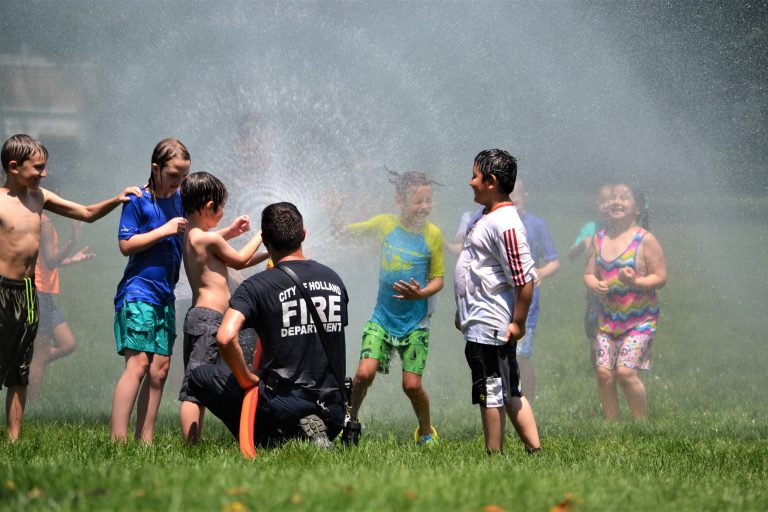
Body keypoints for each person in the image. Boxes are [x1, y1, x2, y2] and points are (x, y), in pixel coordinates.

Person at [0, 133, 140, 441]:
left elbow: (87, 213)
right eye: (37, 168)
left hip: (26, 290)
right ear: (14, 167)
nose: (44, 174)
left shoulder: (41, 198)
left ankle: (13, 439)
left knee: (19, 368)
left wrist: (116, 200)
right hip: (0, 288)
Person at [188, 202, 348, 448]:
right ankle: (315, 431)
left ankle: (270, 439)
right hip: (335, 409)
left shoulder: (257, 286)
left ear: (264, 240)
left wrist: (245, 379)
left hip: (288, 404)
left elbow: (225, 337)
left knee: (200, 376)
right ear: (303, 233)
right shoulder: (334, 279)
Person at [338, 170, 444, 446]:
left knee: (411, 385)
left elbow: (439, 280)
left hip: (415, 323)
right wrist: (334, 214)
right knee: (363, 374)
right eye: (417, 201)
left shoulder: (433, 236)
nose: (424, 207)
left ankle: (424, 430)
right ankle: (351, 420)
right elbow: (343, 234)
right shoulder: (385, 224)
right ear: (399, 201)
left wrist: (420, 293)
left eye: (428, 200)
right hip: (382, 319)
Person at [454, 149, 541, 454]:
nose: (470, 182)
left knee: (491, 392)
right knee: (505, 389)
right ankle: (533, 449)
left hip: (491, 324)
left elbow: (523, 279)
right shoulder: (487, 214)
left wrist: (517, 322)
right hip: (479, 320)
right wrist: (461, 309)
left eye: (475, 176)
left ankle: (494, 454)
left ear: (491, 181)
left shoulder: (505, 222)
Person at [110, 139, 196, 443]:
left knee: (159, 369)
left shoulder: (180, 200)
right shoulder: (138, 200)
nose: (179, 182)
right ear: (155, 168)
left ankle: (144, 441)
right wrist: (164, 230)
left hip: (164, 296)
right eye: (173, 175)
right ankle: (118, 442)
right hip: (137, 292)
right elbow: (126, 246)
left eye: (184, 177)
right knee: (139, 363)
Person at [178, 172, 268, 444]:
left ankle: (194, 442)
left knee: (200, 383)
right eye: (220, 209)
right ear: (208, 207)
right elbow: (239, 260)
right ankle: (190, 446)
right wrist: (262, 236)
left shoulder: (192, 236)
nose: (222, 214)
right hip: (208, 319)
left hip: (198, 317)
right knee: (194, 387)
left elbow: (218, 244)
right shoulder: (208, 240)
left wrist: (232, 232)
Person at [583, 183, 667, 420]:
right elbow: (588, 273)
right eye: (612, 198)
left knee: (625, 372)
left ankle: (640, 422)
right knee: (603, 373)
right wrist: (595, 284)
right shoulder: (597, 240)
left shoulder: (645, 240)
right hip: (608, 319)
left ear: (638, 207)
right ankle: (613, 423)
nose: (616, 201)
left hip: (640, 319)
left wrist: (637, 282)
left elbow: (660, 277)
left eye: (624, 198)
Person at [28, 215, 95, 399]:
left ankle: (25, 360)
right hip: (38, 292)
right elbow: (50, 261)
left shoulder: (36, 218)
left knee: (67, 343)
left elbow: (44, 261)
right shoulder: (44, 221)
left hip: (42, 294)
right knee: (39, 356)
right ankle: (31, 409)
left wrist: (72, 260)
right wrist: (72, 241)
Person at [509, 179, 559, 403]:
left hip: (525, 304)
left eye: (514, 197)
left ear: (524, 196)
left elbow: (553, 262)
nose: (510, 201)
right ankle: (506, 397)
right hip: (498, 301)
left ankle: (526, 399)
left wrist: (540, 272)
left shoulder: (536, 225)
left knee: (521, 355)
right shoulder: (491, 223)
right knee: (502, 353)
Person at [569, 183, 613, 354]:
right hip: (595, 293)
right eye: (603, 201)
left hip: (619, 293)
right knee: (594, 335)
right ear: (597, 205)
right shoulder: (590, 228)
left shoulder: (622, 229)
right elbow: (571, 256)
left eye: (611, 201)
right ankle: (598, 368)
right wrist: (583, 243)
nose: (607, 205)